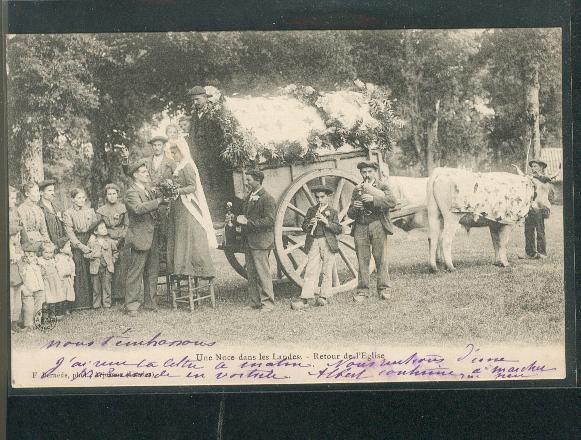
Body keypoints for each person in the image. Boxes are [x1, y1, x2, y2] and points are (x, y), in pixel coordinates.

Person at [347, 160, 397, 303]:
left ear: (374, 172)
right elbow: (350, 214)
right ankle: (363, 291)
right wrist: (355, 208)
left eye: (369, 172)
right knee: (362, 260)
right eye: (364, 172)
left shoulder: (383, 186)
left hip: (377, 225)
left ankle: (384, 289)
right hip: (360, 227)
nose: (366, 175)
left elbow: (392, 202)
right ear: (361, 173)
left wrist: (374, 199)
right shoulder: (357, 189)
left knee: (381, 258)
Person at [166, 142, 217, 280]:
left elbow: (192, 186)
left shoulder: (187, 165)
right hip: (178, 207)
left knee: (187, 235)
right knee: (179, 236)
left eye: (175, 152)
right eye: (171, 153)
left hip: (186, 206)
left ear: (182, 152)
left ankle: (192, 268)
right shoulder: (179, 166)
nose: (173, 155)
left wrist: (177, 190)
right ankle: (180, 268)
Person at [291, 185, 343, 310]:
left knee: (327, 269)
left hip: (327, 242)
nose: (319, 200)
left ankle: (323, 297)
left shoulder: (333, 212)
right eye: (317, 197)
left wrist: (326, 221)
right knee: (311, 269)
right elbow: (304, 227)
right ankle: (306, 298)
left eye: (322, 197)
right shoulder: (311, 210)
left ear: (328, 197)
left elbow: (338, 229)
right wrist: (310, 223)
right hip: (314, 241)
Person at [124, 159, 165, 317]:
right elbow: (138, 209)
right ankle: (132, 306)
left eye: (146, 171)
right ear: (135, 175)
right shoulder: (131, 192)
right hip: (139, 237)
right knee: (136, 272)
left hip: (152, 235)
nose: (146, 173)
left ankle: (150, 302)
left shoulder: (148, 189)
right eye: (143, 172)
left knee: (152, 271)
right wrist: (159, 201)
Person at [235, 169, 276, 312]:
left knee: (263, 274)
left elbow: (270, 221)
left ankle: (268, 303)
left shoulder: (267, 198)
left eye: (249, 180)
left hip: (261, 241)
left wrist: (248, 223)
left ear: (258, 180)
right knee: (252, 274)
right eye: (246, 180)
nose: (246, 183)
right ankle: (254, 302)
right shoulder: (249, 197)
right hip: (250, 241)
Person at [186, 85, 231, 217]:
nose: (195, 103)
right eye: (193, 100)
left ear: (205, 98)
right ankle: (209, 214)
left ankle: (221, 214)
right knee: (204, 184)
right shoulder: (195, 115)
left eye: (197, 99)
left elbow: (222, 135)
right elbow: (192, 136)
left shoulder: (214, 113)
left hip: (213, 157)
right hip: (199, 157)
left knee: (216, 184)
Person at [63, 188, 99, 310]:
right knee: (79, 269)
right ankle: (79, 303)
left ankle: (94, 301)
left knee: (93, 268)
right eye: (78, 198)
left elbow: (95, 227)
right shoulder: (68, 213)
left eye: (83, 197)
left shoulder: (90, 211)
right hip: (77, 244)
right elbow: (69, 232)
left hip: (90, 241)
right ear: (72, 199)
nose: (81, 200)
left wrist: (93, 238)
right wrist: (81, 246)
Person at [96, 183, 128, 303]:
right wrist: (108, 240)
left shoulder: (124, 208)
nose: (112, 196)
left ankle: (122, 294)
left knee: (122, 267)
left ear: (118, 194)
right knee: (108, 268)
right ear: (106, 195)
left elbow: (127, 225)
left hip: (121, 240)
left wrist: (120, 239)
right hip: (106, 241)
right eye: (109, 194)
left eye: (114, 193)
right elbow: (98, 227)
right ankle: (110, 296)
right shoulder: (101, 210)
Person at [523, 159, 553, 259]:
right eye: (532, 166)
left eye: (535, 166)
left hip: (540, 208)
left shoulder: (546, 180)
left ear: (541, 167)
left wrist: (546, 206)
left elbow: (550, 195)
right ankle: (530, 253)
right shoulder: (531, 179)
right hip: (530, 208)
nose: (533, 168)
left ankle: (542, 253)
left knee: (540, 231)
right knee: (528, 231)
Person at [85, 220, 118, 309]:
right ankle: (96, 305)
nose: (104, 229)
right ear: (96, 231)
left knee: (107, 286)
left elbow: (115, 252)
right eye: (101, 228)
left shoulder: (110, 241)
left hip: (107, 268)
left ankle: (107, 304)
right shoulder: (91, 242)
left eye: (105, 227)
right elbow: (86, 254)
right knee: (96, 287)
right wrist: (92, 256)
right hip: (95, 268)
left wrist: (112, 261)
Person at [37, 241, 65, 320]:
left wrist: (60, 278)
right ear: (41, 252)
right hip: (46, 281)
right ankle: (46, 315)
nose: (48, 255)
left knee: (55, 296)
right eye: (46, 252)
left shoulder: (53, 260)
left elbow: (58, 269)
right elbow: (40, 271)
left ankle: (54, 314)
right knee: (47, 298)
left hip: (54, 280)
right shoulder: (40, 261)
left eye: (50, 252)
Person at [38, 179, 66, 246]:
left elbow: (64, 225)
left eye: (53, 190)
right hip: (47, 247)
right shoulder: (38, 208)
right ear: (41, 193)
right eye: (49, 190)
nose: (53, 193)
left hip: (61, 244)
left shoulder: (57, 207)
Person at [55, 238, 76, 315]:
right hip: (61, 279)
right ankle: (61, 310)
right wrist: (59, 278)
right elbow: (57, 268)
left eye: (69, 246)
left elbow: (72, 267)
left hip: (68, 278)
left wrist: (72, 276)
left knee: (69, 294)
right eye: (67, 246)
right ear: (61, 249)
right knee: (62, 294)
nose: (70, 248)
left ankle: (68, 309)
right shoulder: (57, 258)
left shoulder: (69, 258)